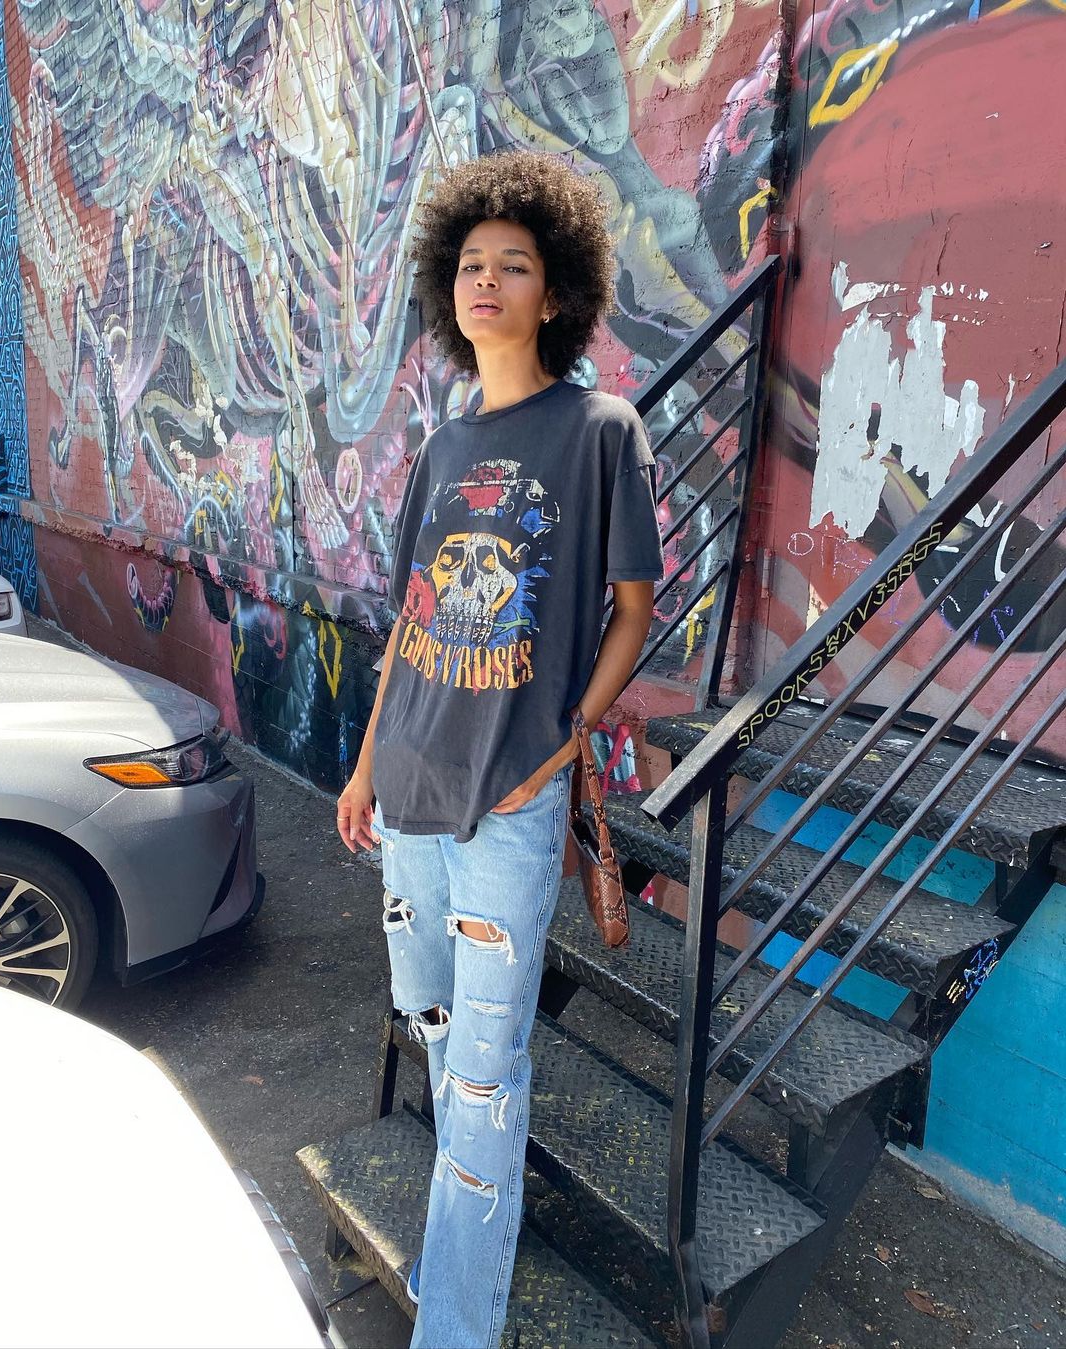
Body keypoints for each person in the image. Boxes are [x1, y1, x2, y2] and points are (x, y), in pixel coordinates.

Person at [336, 150, 663, 1349]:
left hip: (509, 805)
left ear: (555, 292)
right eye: (470, 263)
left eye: (513, 265)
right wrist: (364, 766)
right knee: (435, 1032)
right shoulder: (438, 449)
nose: (486, 280)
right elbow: (412, 624)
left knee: (485, 1074)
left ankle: (457, 1324)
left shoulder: (599, 431)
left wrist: (560, 744)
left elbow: (633, 608)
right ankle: (460, 1230)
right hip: (409, 789)